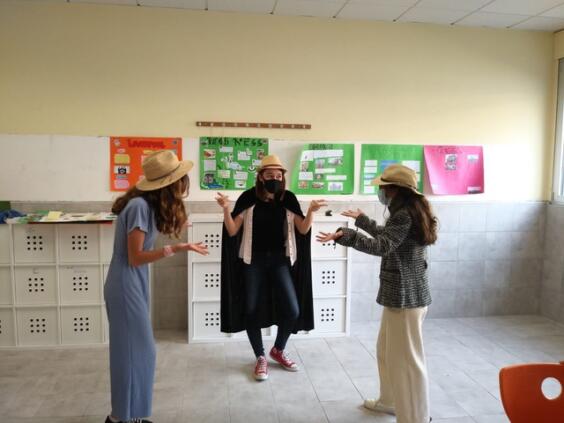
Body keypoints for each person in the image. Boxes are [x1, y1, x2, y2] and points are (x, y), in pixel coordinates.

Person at [316, 164, 437, 423]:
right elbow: (390, 237)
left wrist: (347, 236)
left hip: (406, 299)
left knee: (407, 361)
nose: (381, 192)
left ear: (395, 190)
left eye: (383, 187)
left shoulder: (404, 215)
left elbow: (382, 245)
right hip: (401, 296)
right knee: (386, 350)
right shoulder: (409, 211)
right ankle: (390, 402)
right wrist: (361, 221)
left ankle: (416, 417)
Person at [104, 150, 209, 423]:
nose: (184, 184)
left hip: (133, 279)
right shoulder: (139, 207)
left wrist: (181, 240)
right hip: (125, 281)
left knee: (137, 352)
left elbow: (140, 251)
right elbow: (136, 256)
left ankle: (130, 416)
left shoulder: (144, 206)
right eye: (181, 179)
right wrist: (175, 248)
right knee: (137, 351)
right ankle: (118, 418)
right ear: (170, 183)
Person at [216, 154, 326, 381]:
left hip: (279, 260)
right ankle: (260, 357)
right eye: (269, 175)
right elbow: (232, 230)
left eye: (278, 175)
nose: (274, 179)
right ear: (260, 177)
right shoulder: (248, 198)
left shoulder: (288, 198)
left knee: (293, 309)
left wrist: (312, 211)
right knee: (251, 309)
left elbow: (303, 229)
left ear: (283, 177)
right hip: (253, 261)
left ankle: (278, 349)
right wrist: (226, 208)